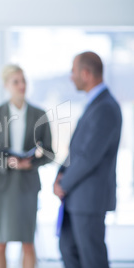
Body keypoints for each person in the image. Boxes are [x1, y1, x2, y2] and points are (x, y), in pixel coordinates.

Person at [0, 64, 54, 268]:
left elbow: (49, 152)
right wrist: (6, 162)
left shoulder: (39, 114)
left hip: (27, 185)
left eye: (24, 81)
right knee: (0, 243)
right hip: (2, 186)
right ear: (7, 85)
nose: (22, 85)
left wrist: (30, 163)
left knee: (28, 243)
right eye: (16, 81)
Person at [53, 51, 122, 268]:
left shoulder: (105, 108)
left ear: (86, 73)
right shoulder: (95, 104)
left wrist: (63, 183)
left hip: (89, 200)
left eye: (73, 71)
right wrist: (59, 175)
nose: (71, 76)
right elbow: (76, 149)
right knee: (69, 251)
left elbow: (88, 156)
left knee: (92, 259)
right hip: (77, 198)